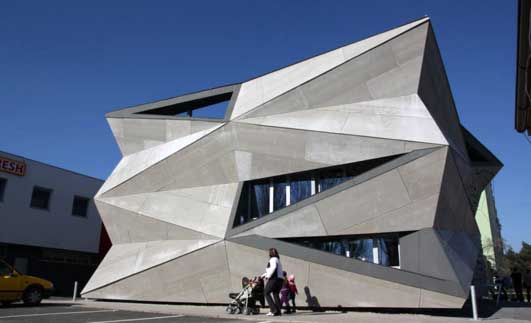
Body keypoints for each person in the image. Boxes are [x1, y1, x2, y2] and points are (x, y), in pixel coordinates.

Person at [262, 248, 283, 316]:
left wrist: (268, 276)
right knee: (275, 294)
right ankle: (278, 311)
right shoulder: (278, 260)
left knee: (266, 292)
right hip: (280, 280)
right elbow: (272, 269)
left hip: (274, 279)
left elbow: (273, 268)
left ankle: (273, 310)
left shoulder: (273, 259)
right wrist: (264, 275)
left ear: (270, 253)